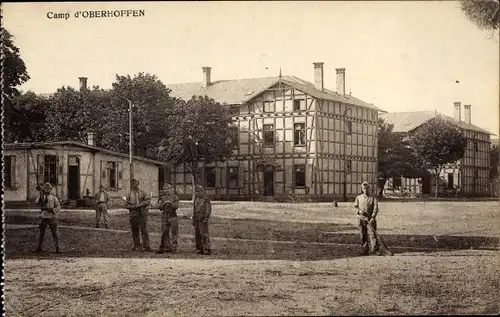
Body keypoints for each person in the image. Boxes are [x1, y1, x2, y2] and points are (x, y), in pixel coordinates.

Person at [34, 182, 61, 253]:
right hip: (44, 216)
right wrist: (40, 195)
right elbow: (37, 202)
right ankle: (39, 247)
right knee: (41, 233)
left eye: (48, 188)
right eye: (45, 188)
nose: (47, 190)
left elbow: (58, 207)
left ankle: (57, 248)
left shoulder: (54, 198)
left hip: (52, 217)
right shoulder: (42, 197)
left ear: (51, 189)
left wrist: (53, 210)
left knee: (54, 233)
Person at [125, 178, 151, 251]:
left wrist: (139, 205)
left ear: (138, 184)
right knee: (135, 230)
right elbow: (126, 205)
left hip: (142, 213)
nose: (135, 186)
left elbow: (148, 201)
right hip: (133, 214)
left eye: (136, 184)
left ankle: (146, 246)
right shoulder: (129, 194)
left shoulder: (143, 192)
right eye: (133, 184)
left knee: (144, 230)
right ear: (131, 185)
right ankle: (137, 245)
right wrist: (132, 207)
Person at [354, 182, 379, 256]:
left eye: (367, 188)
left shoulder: (373, 198)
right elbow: (355, 207)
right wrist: (359, 211)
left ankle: (375, 250)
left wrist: (373, 217)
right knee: (363, 235)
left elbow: (375, 208)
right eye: (364, 188)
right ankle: (365, 250)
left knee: (373, 235)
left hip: (370, 219)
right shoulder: (358, 198)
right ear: (362, 189)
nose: (366, 190)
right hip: (361, 219)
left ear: (369, 189)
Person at [156, 183, 180, 254]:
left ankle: (174, 248)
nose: (166, 191)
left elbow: (176, 206)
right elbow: (160, 208)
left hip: (173, 217)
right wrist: (163, 204)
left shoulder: (175, 197)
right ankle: (167, 247)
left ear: (171, 189)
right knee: (164, 232)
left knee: (174, 233)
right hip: (165, 217)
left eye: (167, 189)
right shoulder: (163, 198)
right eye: (165, 189)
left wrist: (170, 203)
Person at [192, 185, 212, 255]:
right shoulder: (196, 199)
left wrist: (206, 218)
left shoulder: (206, 199)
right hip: (196, 218)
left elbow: (208, 209)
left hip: (202, 219)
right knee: (198, 235)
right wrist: (193, 219)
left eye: (198, 191)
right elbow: (194, 210)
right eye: (196, 191)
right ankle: (200, 248)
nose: (197, 193)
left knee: (204, 234)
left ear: (202, 191)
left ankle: (207, 248)